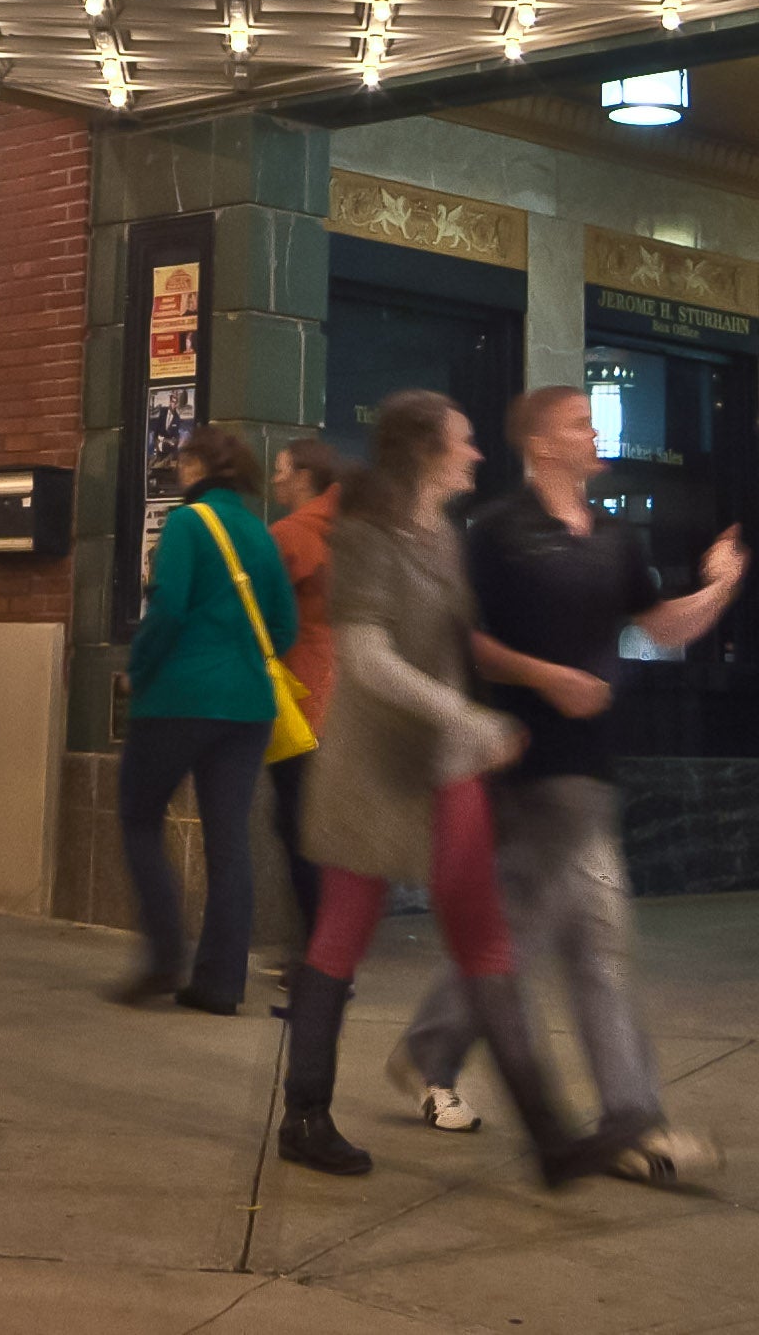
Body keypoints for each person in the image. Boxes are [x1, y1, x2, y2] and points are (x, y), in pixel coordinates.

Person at [392, 385, 750, 1185]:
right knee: (590, 941)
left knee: (527, 935)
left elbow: (659, 624)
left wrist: (720, 585)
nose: (595, 434)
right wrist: (545, 677)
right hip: (519, 763)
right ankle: (634, 1122)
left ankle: (431, 1049)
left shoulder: (615, 538)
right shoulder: (496, 532)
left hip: (588, 766)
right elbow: (463, 641)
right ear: (544, 444)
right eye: (581, 423)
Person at [283, 391, 629, 1187]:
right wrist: (467, 717)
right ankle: (304, 1115)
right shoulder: (364, 535)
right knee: (342, 932)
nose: (476, 454)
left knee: (485, 938)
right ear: (425, 451)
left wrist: (499, 708)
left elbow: (458, 647)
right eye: (464, 441)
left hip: (444, 767)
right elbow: (367, 658)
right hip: (372, 771)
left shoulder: (444, 534)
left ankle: (550, 1140)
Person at [113, 426, 299, 1017]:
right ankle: (220, 983)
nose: (179, 468)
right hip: (248, 707)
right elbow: (285, 626)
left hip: (178, 698)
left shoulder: (188, 524)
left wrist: (139, 669)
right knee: (228, 839)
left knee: (140, 818)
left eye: (184, 459)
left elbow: (167, 608)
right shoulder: (259, 531)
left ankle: (165, 958)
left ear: (198, 466)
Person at [264, 437, 345, 963]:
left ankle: (319, 958)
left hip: (304, 697)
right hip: (349, 699)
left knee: (298, 829)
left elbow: (264, 615)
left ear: (303, 477)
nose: (275, 480)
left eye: (281, 470)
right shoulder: (354, 530)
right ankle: (333, 951)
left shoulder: (290, 535)